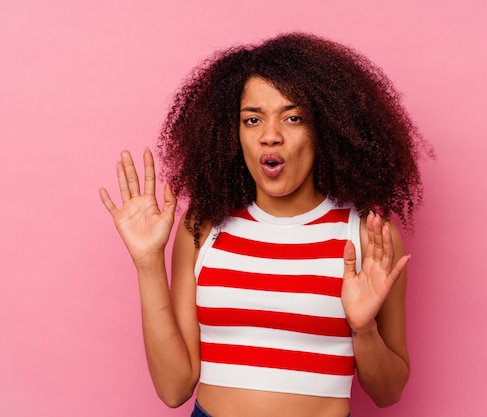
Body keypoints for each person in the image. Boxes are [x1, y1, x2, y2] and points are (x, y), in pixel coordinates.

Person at [99, 32, 430, 417]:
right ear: (232, 133)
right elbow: (174, 389)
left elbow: (388, 393)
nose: (270, 136)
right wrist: (147, 262)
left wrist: (363, 328)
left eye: (292, 118)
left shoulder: (367, 235)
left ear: (326, 128)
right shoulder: (203, 229)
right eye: (252, 120)